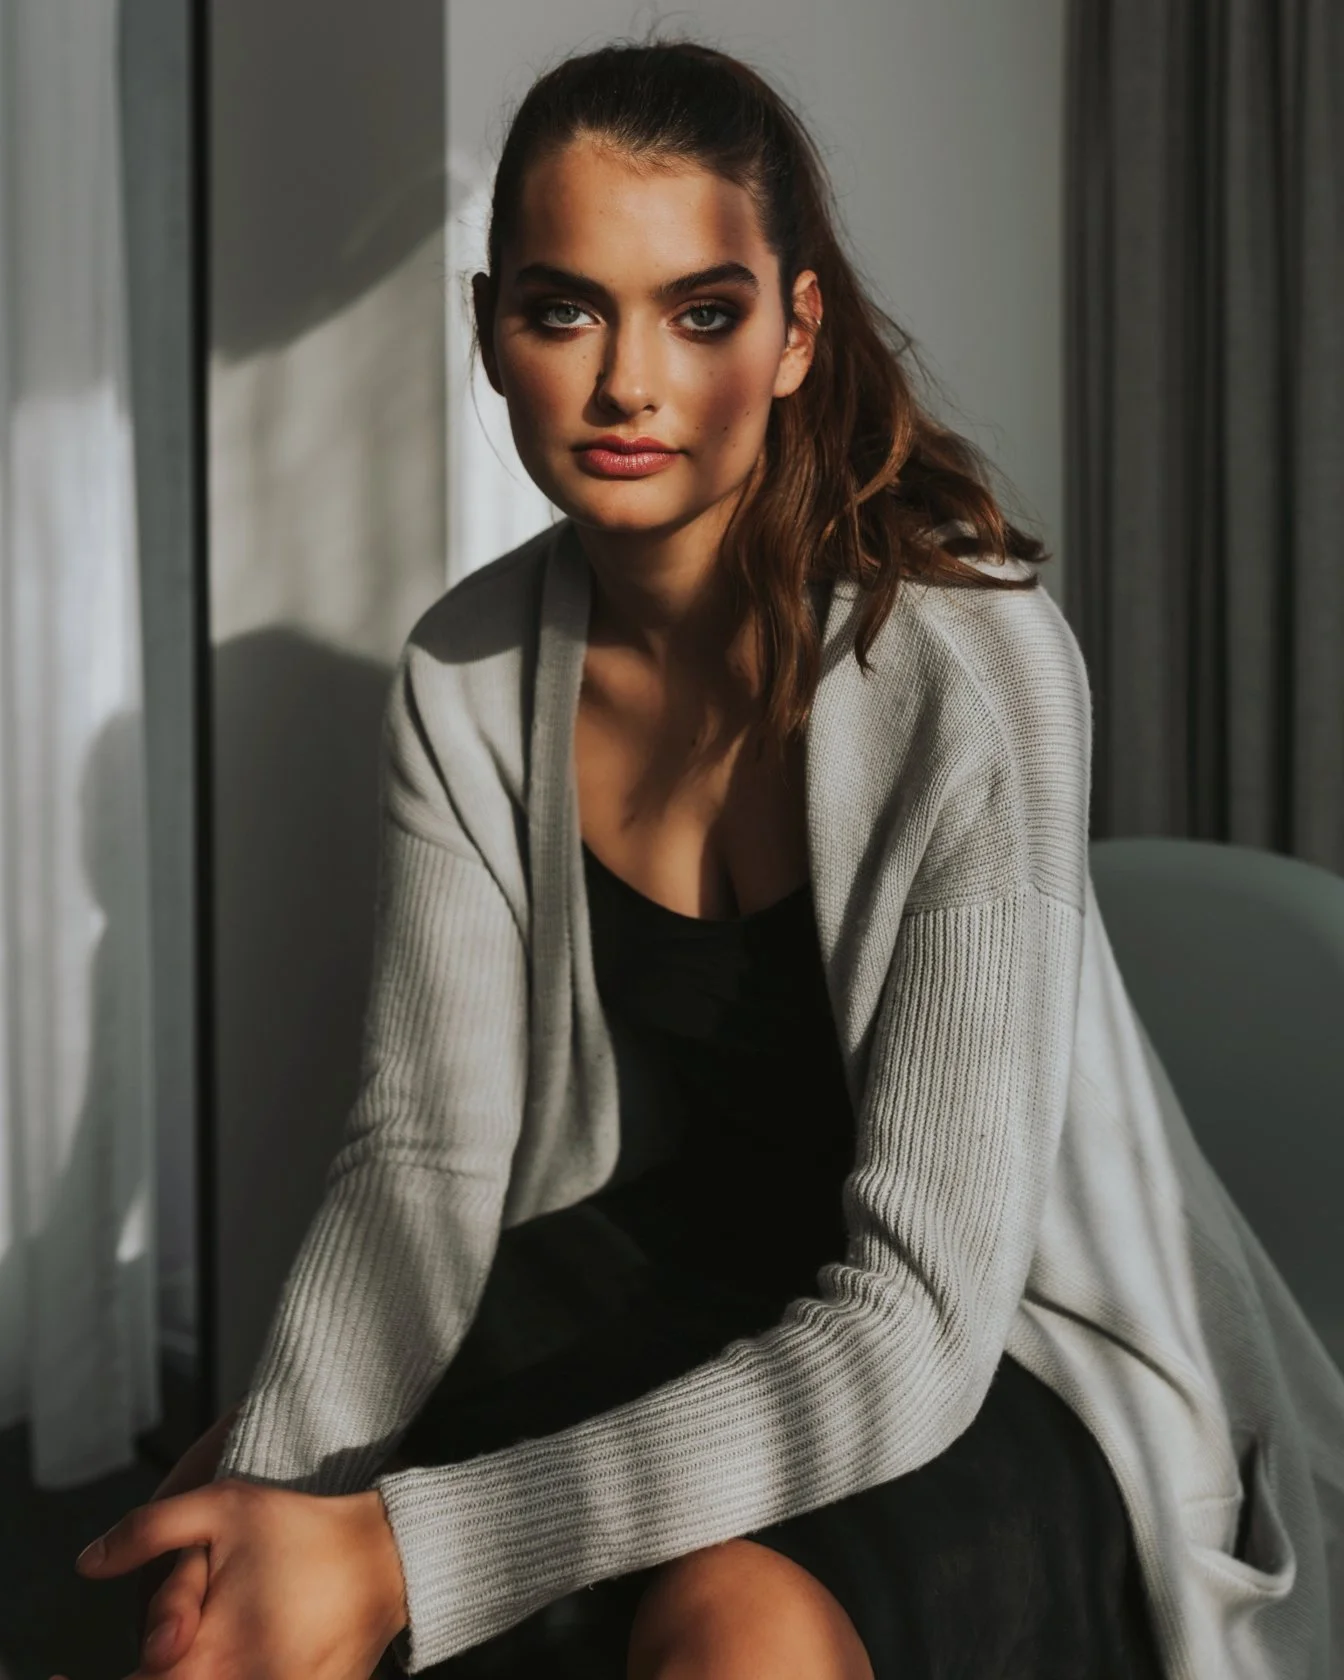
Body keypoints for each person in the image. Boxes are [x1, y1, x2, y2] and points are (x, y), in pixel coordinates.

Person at [70, 38, 1343, 1680]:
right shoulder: (464, 674)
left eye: (700, 313)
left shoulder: (973, 664)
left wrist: (402, 1559)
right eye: (565, 311)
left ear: (796, 332)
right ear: (490, 328)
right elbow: (424, 1166)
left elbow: (922, 1317)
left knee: (730, 1630)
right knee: (232, 1517)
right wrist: (276, 1505)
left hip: (988, 1340)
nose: (629, 385)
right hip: (654, 1261)